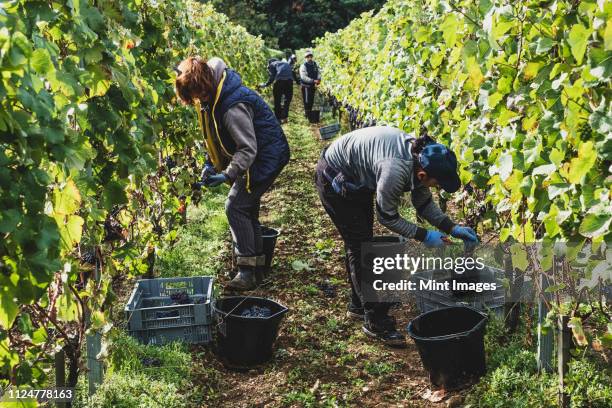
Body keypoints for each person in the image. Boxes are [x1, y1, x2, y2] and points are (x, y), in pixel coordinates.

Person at [314, 126, 478, 346]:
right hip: (334, 177)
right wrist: (425, 236)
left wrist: (452, 228)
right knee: (360, 245)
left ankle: (358, 305)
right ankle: (375, 321)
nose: (436, 188)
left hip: (357, 176)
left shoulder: (420, 159)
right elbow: (387, 217)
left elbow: (424, 202)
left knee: (361, 239)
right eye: (436, 184)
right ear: (423, 175)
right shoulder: (395, 170)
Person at [175, 56, 290, 291]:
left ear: (206, 83)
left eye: (200, 95)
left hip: (266, 157)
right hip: (259, 155)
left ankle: (247, 272)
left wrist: (228, 174)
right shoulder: (212, 96)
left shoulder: (231, 104)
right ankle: (257, 268)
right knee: (247, 208)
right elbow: (215, 136)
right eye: (194, 98)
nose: (199, 100)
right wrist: (210, 163)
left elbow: (247, 148)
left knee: (235, 206)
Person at [260, 58, 294, 123]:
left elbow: (272, 77)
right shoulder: (285, 63)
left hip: (280, 82)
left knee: (277, 101)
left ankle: (278, 119)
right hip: (289, 82)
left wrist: (265, 84)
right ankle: (285, 118)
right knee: (287, 101)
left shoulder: (272, 64)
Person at [299, 50, 321, 119]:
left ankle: (309, 114)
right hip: (306, 86)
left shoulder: (315, 64)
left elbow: (319, 72)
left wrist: (319, 79)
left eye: (310, 56)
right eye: (308, 57)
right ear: (305, 58)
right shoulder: (303, 66)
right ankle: (307, 114)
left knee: (311, 100)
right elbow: (303, 77)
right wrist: (313, 81)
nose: (309, 58)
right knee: (307, 100)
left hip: (312, 85)